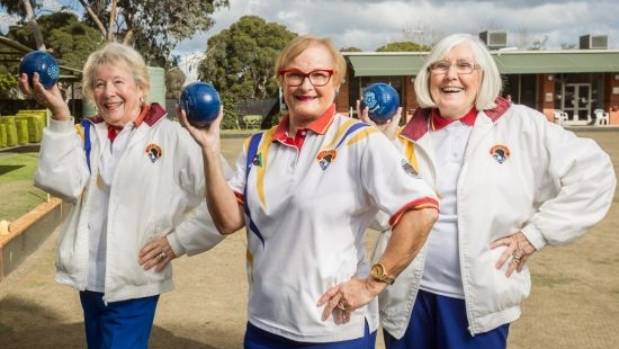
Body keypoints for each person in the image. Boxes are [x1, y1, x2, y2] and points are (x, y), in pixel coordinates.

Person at [179, 35, 439, 348]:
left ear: (337, 82)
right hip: (265, 324)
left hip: (333, 330)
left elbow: (421, 210)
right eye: (295, 75)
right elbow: (227, 221)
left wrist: (373, 284)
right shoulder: (256, 146)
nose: (306, 85)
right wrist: (209, 148)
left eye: (319, 75)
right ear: (281, 80)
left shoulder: (360, 140)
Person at [361, 33, 616, 349]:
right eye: (440, 66)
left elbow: (595, 172)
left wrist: (535, 234)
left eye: (464, 65)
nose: (451, 75)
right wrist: (376, 149)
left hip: (478, 306)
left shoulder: (520, 125)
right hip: (407, 298)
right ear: (427, 77)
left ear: (483, 77)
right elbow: (378, 216)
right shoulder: (405, 137)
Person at [19, 42, 229, 349]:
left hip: (135, 279)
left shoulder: (172, 136)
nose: (108, 92)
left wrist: (179, 241)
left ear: (142, 88)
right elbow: (60, 184)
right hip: (89, 278)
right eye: (100, 85)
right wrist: (60, 114)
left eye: (119, 82)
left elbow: (226, 195)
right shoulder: (86, 133)